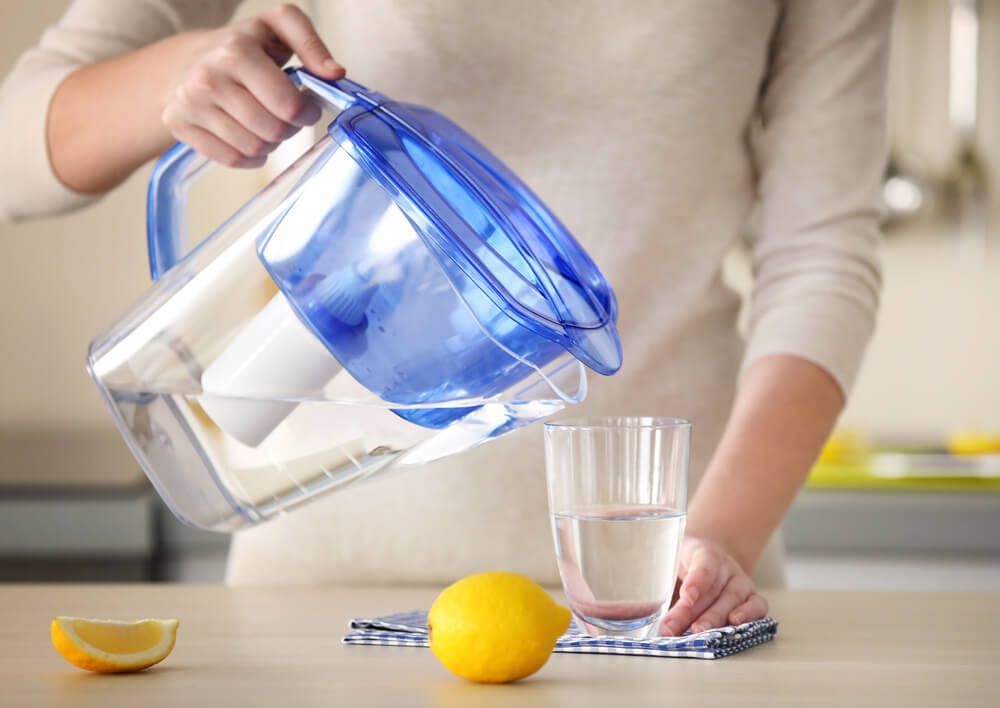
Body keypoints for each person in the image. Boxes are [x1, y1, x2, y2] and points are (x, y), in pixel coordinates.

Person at [0, 0, 890, 635]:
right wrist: (184, 73)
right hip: (314, 601)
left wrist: (714, 545)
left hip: (665, 601)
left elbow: (822, 256)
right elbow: (15, 151)